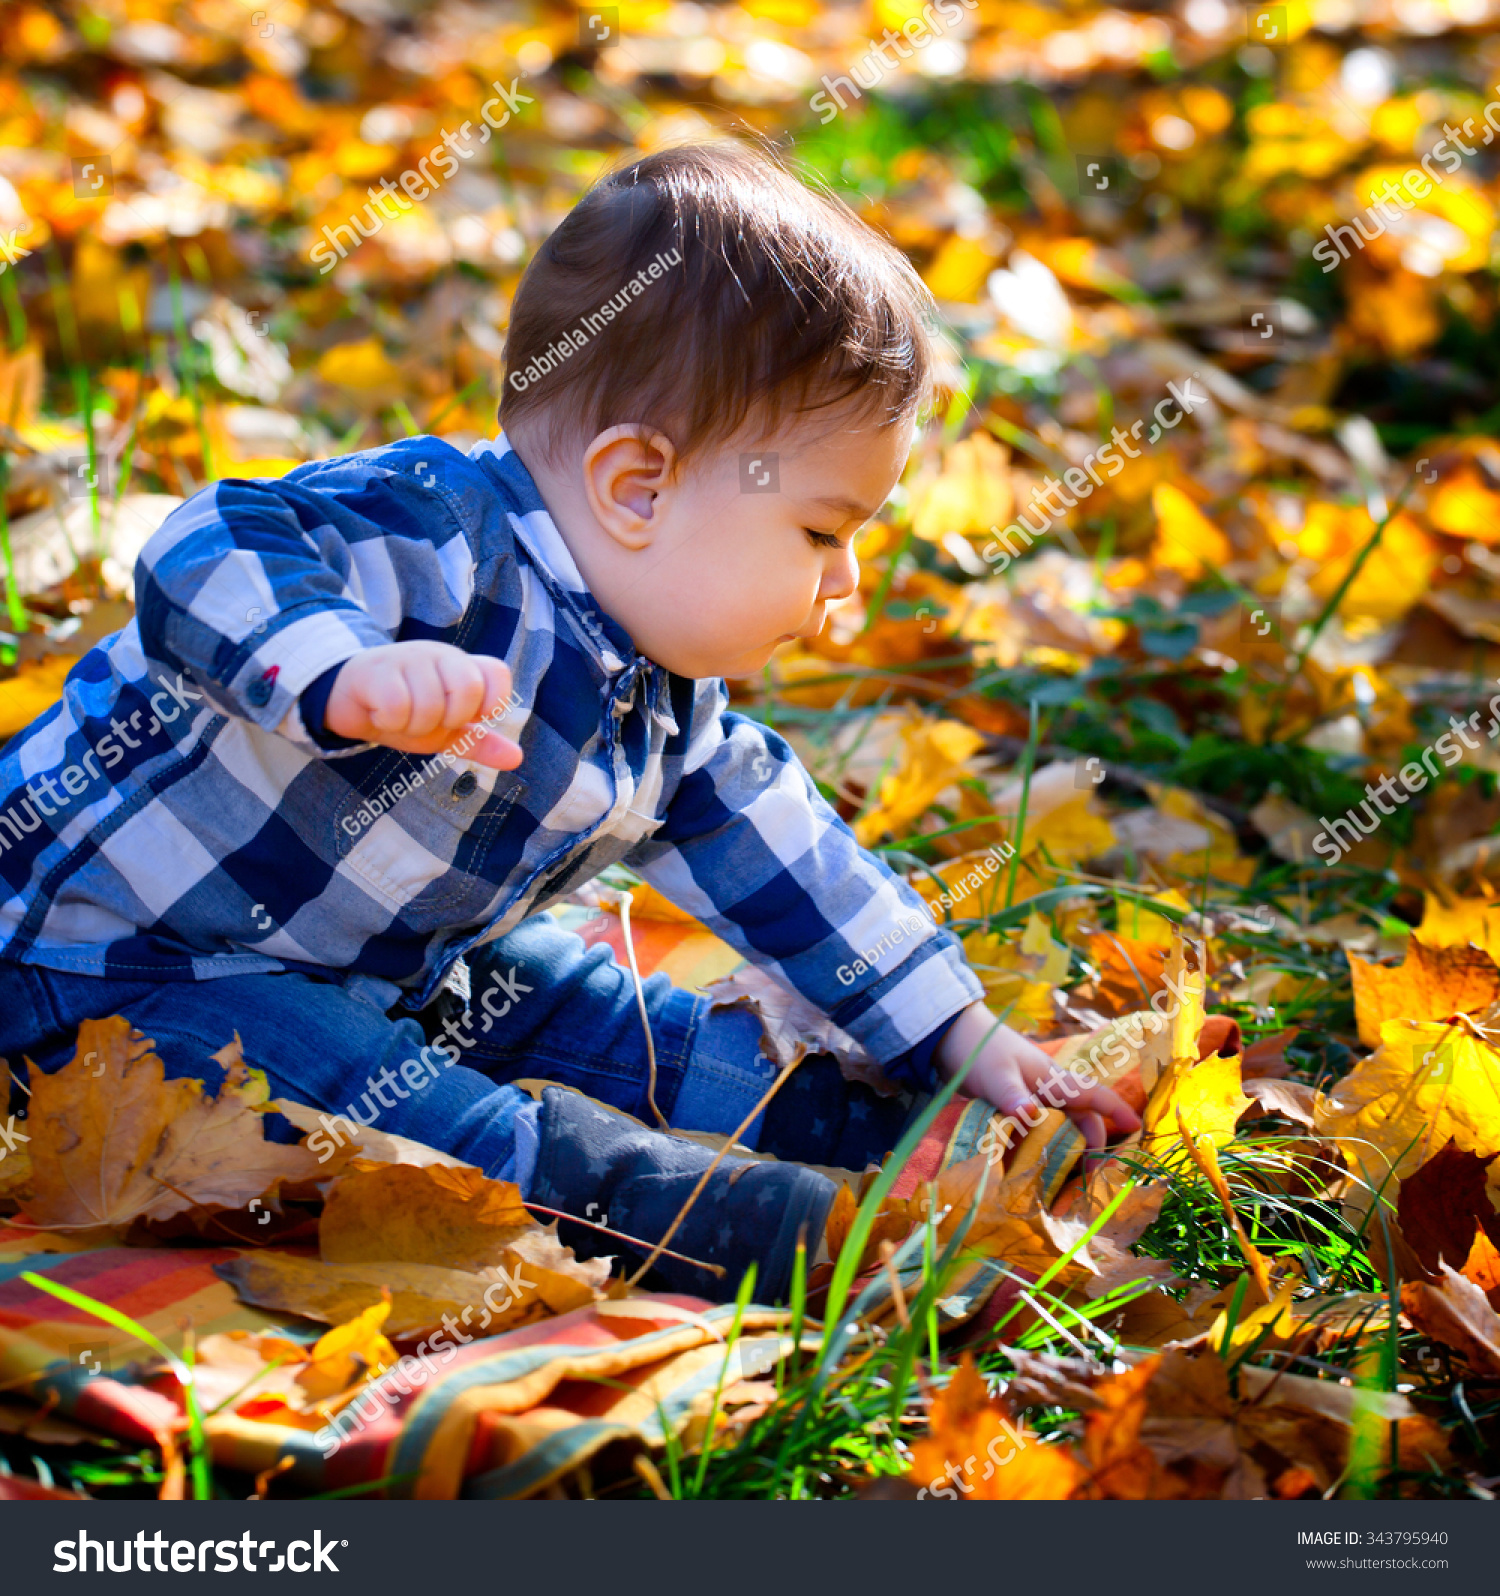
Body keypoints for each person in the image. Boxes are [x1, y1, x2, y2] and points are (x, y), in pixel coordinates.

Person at [0, 141, 1135, 1300]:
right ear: (637, 487)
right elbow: (209, 541)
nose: (846, 583)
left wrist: (958, 1034)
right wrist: (331, 667)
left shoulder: (666, 699)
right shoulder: (438, 537)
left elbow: (795, 861)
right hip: (115, 977)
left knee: (588, 1009)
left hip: (395, 959)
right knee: (378, 1105)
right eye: (822, 533)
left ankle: (853, 1127)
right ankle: (675, 1212)